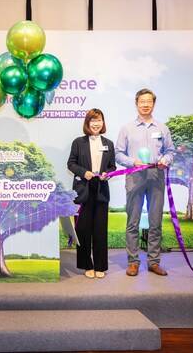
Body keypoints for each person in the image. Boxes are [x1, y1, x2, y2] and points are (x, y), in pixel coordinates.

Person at [115, 88, 174, 277]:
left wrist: (166, 160)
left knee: (155, 222)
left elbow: (170, 151)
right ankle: (133, 262)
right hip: (135, 179)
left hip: (156, 178)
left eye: (149, 101)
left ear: (154, 104)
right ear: (136, 103)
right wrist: (133, 162)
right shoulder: (127, 128)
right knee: (133, 222)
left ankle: (154, 262)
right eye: (142, 101)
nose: (146, 104)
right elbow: (118, 154)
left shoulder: (162, 128)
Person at [67, 108, 116, 279]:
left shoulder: (108, 143)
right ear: (87, 123)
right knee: (83, 229)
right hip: (83, 190)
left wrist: (107, 173)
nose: (96, 123)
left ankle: (100, 266)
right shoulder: (78, 142)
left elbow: (112, 167)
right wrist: (83, 172)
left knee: (100, 230)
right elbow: (71, 163)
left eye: (99, 120)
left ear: (103, 122)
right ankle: (87, 265)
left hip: (101, 190)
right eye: (93, 120)